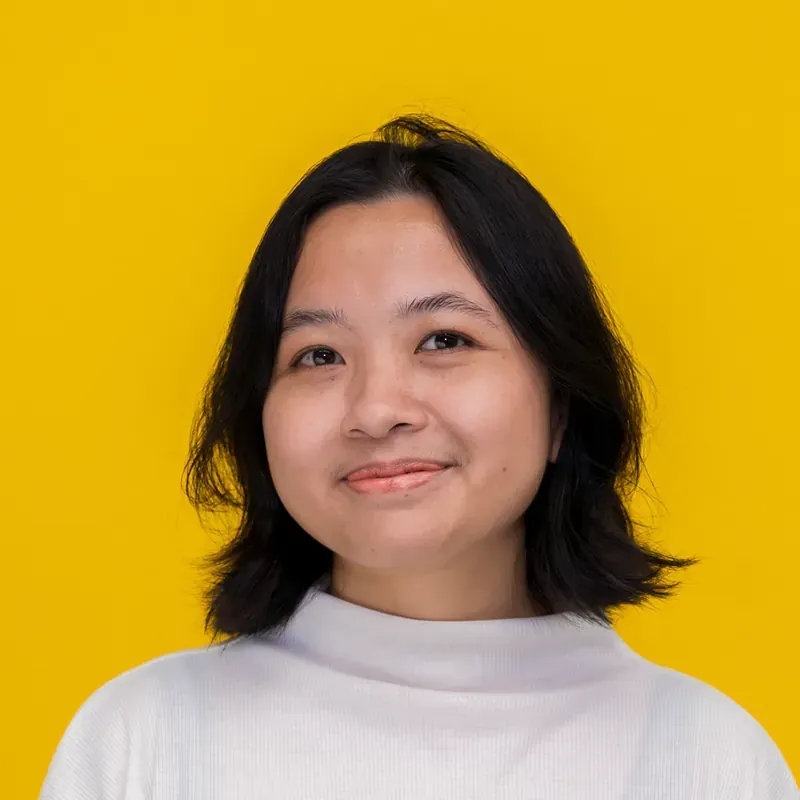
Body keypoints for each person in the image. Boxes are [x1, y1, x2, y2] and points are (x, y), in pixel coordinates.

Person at [39, 115, 798, 799]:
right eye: (318, 355)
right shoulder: (144, 742)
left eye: (444, 340)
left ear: (561, 400)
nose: (375, 409)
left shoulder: (702, 760)